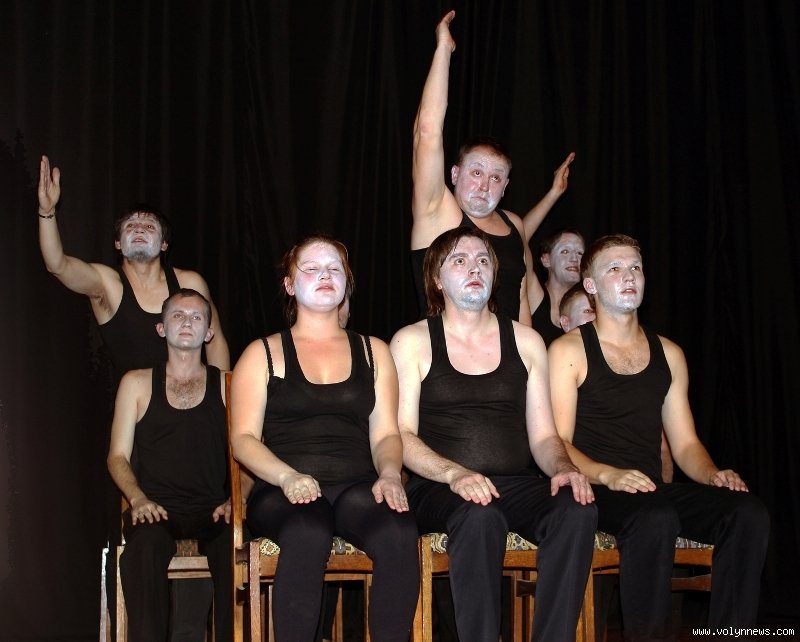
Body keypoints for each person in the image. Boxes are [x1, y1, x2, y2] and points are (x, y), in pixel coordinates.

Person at [38, 155, 228, 639]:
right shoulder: (108, 283)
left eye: (149, 224)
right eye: (130, 226)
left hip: (198, 412)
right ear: (118, 244)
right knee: (146, 541)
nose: (139, 227)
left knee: (216, 536)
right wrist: (47, 212)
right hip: (143, 417)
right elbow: (58, 265)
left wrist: (223, 405)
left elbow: (220, 352)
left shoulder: (190, 286)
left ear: (164, 243)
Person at [548, 234, 770, 640]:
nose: (629, 276)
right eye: (615, 268)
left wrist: (712, 474)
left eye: (635, 267)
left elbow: (685, 445)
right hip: (595, 489)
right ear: (591, 285)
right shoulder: (568, 350)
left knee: (747, 512)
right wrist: (609, 474)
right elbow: (557, 442)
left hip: (649, 489)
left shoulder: (669, 352)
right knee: (654, 516)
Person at [391, 226, 597, 642]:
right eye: (460, 260)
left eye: (483, 260)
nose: (475, 268)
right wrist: (454, 474)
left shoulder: (527, 341)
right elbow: (401, 435)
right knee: (479, 514)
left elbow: (544, 437)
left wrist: (564, 468)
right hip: (439, 485)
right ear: (436, 279)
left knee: (576, 507)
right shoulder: (412, 341)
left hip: (512, 483)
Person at [231, 235, 419, 641]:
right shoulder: (262, 353)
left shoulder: (374, 351)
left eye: (334, 268)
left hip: (355, 486)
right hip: (282, 490)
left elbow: (386, 433)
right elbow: (243, 439)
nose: (324, 275)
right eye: (312, 268)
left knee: (399, 531)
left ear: (347, 283)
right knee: (307, 530)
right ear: (289, 284)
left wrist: (389, 473)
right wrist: (286, 477)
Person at [411, 11, 574, 325]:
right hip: (447, 351)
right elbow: (426, 134)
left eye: (496, 177)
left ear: (506, 186)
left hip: (508, 352)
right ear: (454, 174)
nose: (485, 185)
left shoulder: (514, 224)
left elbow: (522, 302)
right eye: (476, 173)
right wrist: (444, 50)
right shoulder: (438, 214)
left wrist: (527, 350)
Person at [106, 289, 234, 642]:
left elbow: (251, 450)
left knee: (237, 545)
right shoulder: (135, 383)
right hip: (155, 509)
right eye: (178, 315)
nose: (187, 322)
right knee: (144, 549)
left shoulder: (228, 384)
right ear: (161, 328)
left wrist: (237, 500)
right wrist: (137, 499)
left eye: (196, 317)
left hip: (212, 510)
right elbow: (117, 457)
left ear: (209, 332)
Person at [528, 228, 586, 345]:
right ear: (546, 260)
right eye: (565, 251)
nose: (575, 259)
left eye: (580, 253)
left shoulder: (590, 301)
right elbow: (518, 237)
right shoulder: (534, 293)